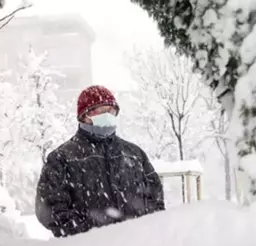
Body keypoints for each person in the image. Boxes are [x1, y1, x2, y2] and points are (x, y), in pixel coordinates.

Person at [35, 85, 165, 237]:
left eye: (111, 111)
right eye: (101, 111)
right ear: (84, 115)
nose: (107, 115)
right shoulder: (62, 159)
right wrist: (86, 235)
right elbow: (49, 209)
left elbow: (155, 199)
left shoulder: (134, 154)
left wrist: (146, 231)